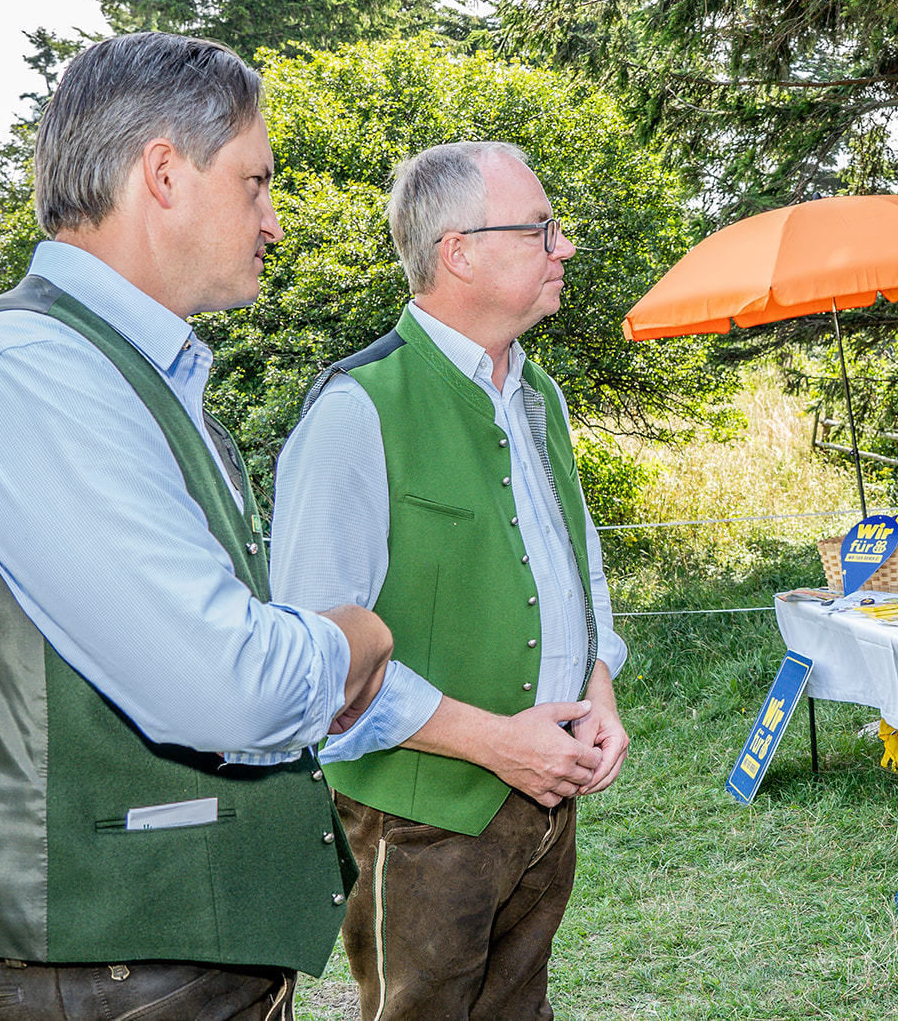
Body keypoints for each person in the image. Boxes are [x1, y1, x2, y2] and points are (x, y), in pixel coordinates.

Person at [0, 32, 394, 1020]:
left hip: (139, 963)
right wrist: (357, 636)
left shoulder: (109, 371)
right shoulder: (29, 373)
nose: (274, 221)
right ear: (162, 173)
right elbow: (225, 685)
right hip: (97, 972)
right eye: (255, 181)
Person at [267, 140, 631, 1019]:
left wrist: (600, 687)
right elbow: (315, 651)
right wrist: (497, 742)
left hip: (545, 804)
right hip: (420, 817)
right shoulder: (358, 408)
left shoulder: (538, 392)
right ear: (458, 252)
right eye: (541, 227)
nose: (564, 246)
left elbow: (575, 563)